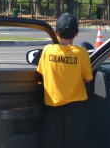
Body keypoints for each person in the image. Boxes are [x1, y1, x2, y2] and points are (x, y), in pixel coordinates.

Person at [36, 13, 93, 148]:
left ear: (56, 32)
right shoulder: (82, 53)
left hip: (53, 106)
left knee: (53, 142)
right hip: (76, 108)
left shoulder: (48, 50)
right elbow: (88, 79)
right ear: (77, 33)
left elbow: (41, 72)